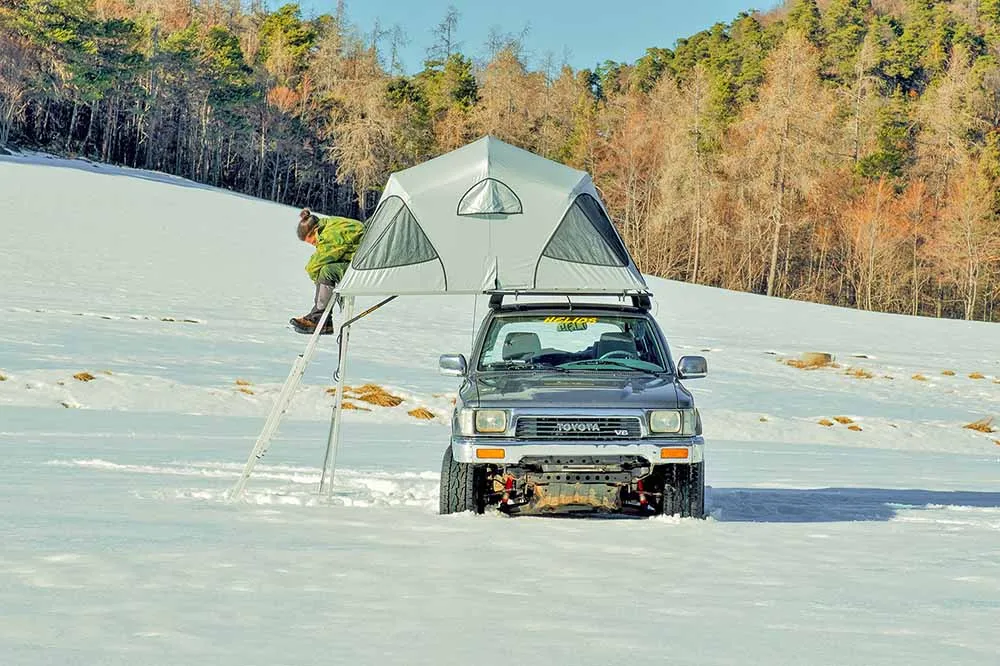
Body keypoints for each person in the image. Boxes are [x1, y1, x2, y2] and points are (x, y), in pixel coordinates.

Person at [290, 208, 365, 335]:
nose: (314, 245)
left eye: (312, 241)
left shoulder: (330, 234)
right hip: (359, 258)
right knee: (326, 270)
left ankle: (319, 319)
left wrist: (316, 277)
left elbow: (319, 261)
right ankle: (322, 319)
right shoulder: (331, 224)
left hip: (365, 264)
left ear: (314, 231)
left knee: (326, 271)